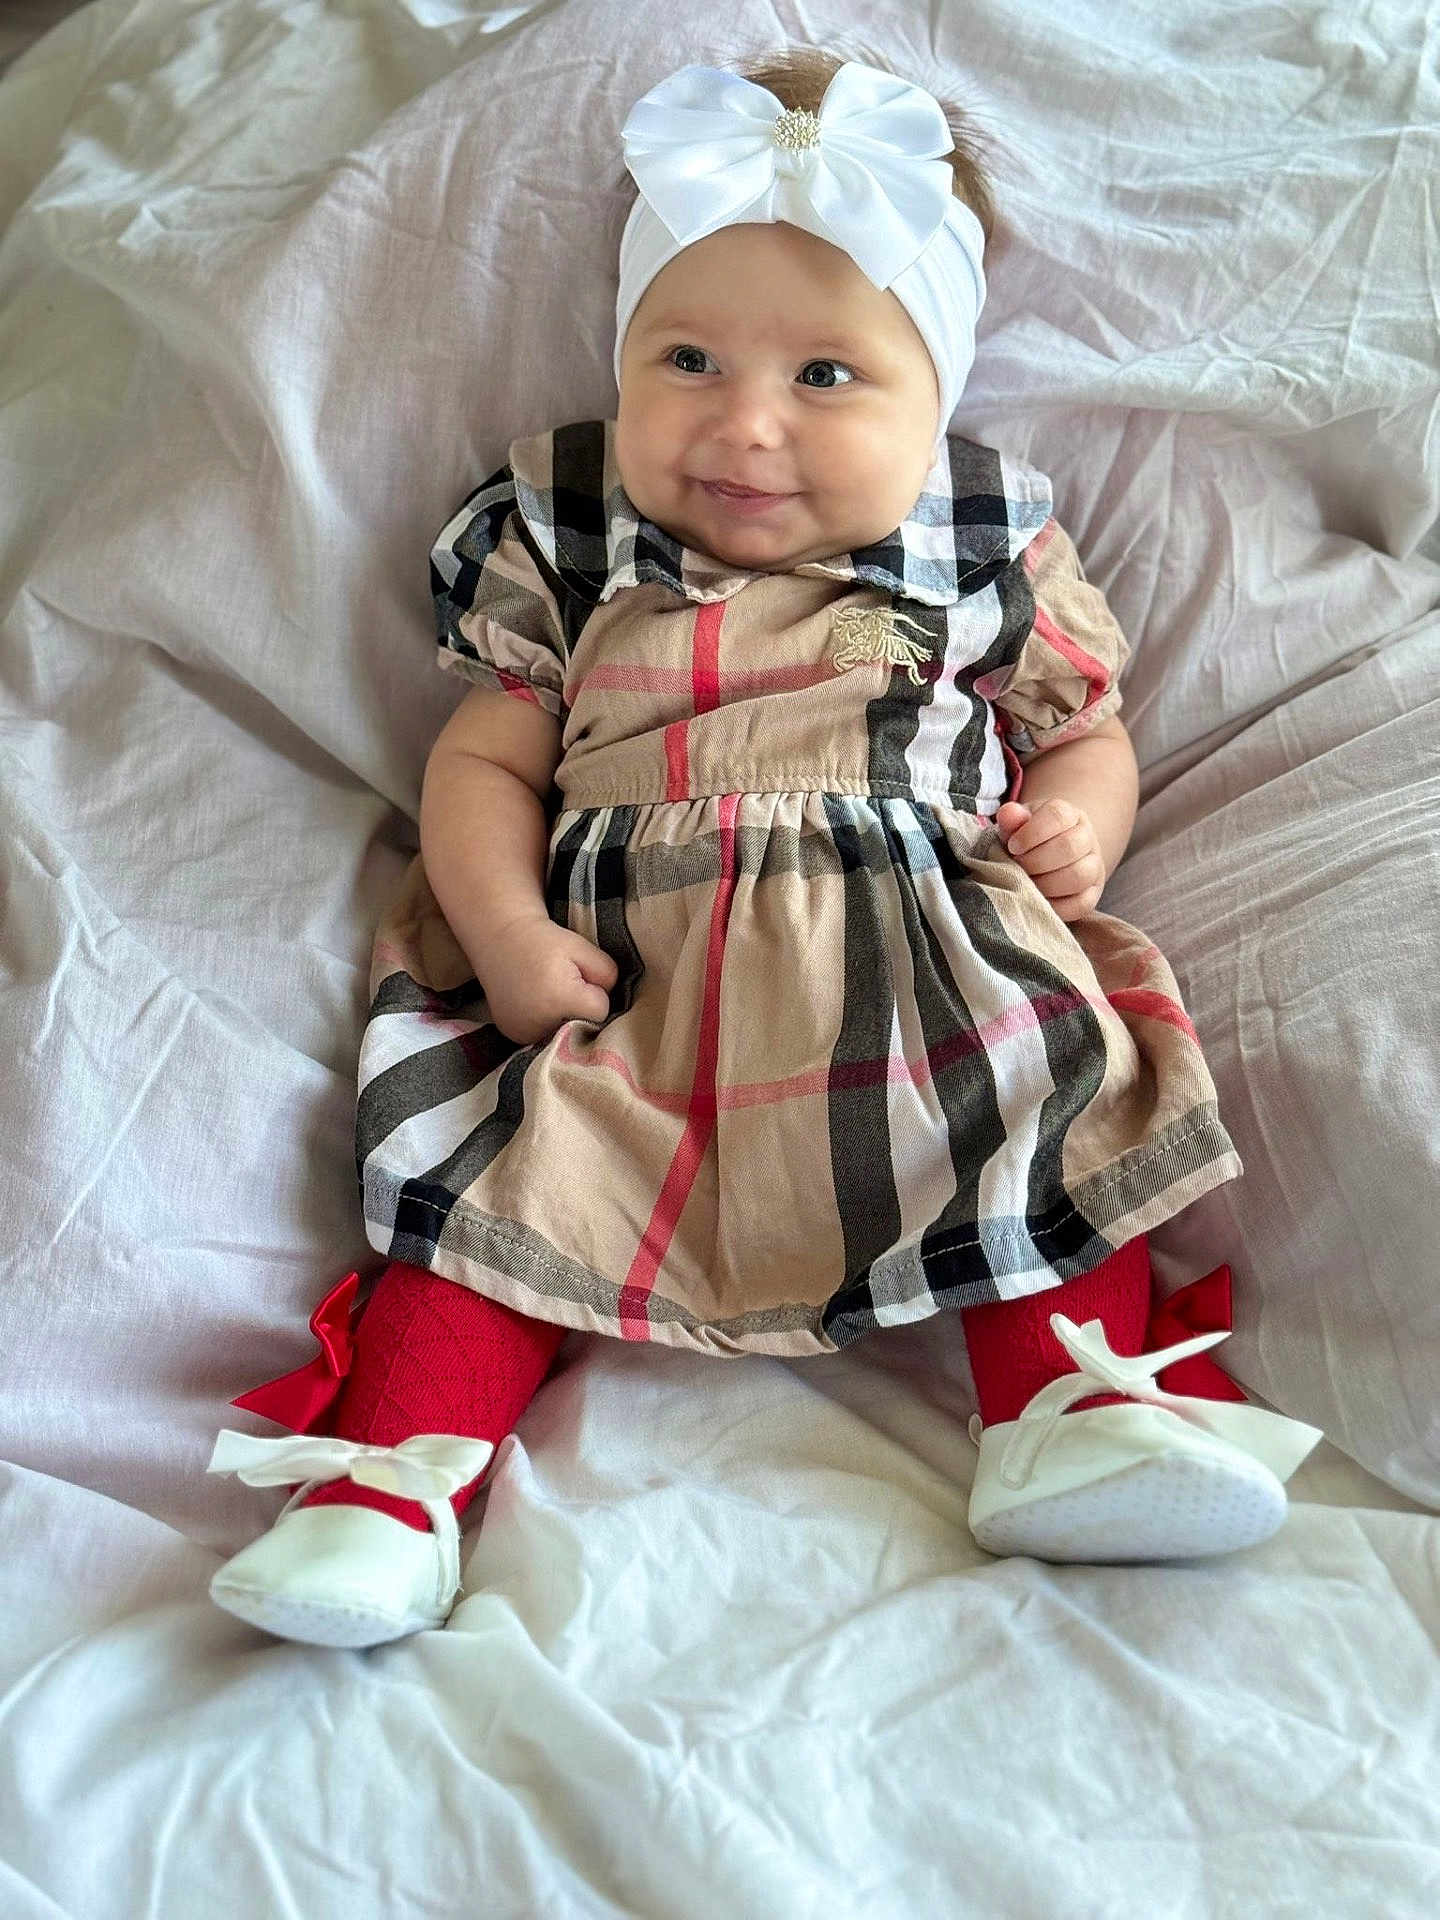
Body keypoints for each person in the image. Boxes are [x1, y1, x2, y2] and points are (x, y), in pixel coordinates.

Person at [205, 49, 1322, 1648]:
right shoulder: (572, 529)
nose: (743, 425)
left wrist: (1080, 818)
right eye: (687, 356)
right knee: (506, 1184)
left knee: (1022, 1110)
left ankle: (1070, 1416)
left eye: (825, 378)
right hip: (623, 976)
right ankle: (390, 1488)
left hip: (917, 951)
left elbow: (1082, 726)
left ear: (935, 392)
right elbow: (483, 758)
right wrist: (507, 935)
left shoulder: (984, 540)